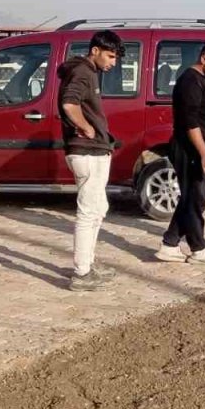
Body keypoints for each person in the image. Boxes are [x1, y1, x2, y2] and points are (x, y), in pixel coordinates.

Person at [58, 30, 123, 291]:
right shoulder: (83, 72)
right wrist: (86, 128)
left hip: (94, 150)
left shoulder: (87, 72)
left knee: (99, 208)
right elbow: (69, 104)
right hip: (87, 151)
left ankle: (88, 264)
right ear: (94, 50)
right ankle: (81, 273)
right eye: (110, 56)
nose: (113, 63)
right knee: (88, 212)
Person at [156, 43, 205, 266]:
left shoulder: (202, 81)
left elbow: (204, 120)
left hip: (200, 147)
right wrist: (204, 153)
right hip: (188, 150)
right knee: (194, 198)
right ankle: (198, 248)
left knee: (192, 198)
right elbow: (190, 123)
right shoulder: (189, 81)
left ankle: (169, 244)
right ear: (204, 58)